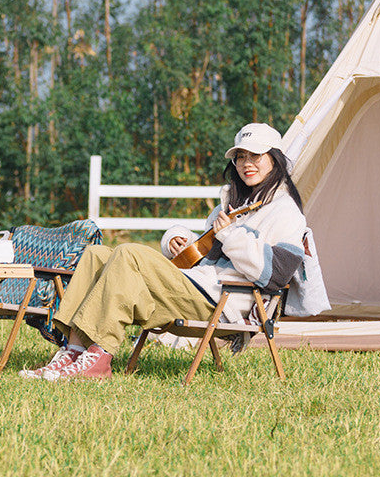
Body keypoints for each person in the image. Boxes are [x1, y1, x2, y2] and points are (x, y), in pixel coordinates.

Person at [20, 122, 306, 381]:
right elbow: (208, 253)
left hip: (224, 302)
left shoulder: (285, 211)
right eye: (240, 157)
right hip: (199, 284)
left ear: (275, 159)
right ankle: (73, 352)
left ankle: (100, 357)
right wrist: (178, 239)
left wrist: (230, 235)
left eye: (255, 156)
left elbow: (277, 274)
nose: (246, 164)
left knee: (130, 253)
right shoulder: (235, 203)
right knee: (96, 255)